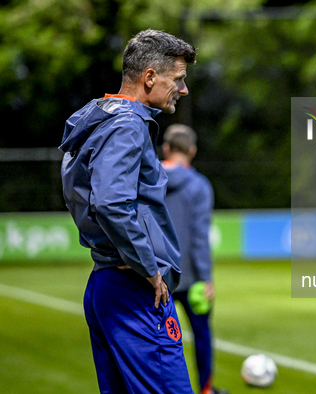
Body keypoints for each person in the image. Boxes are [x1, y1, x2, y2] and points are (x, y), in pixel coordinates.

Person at [59, 29, 197, 393]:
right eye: (178, 79)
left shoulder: (96, 117)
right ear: (150, 76)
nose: (183, 90)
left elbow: (82, 193)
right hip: (135, 287)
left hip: (106, 281)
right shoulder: (129, 124)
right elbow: (110, 202)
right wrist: (149, 269)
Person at [161, 124, 227, 394]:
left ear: (165, 148)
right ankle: (205, 390)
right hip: (190, 277)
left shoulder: (146, 178)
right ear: (193, 151)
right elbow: (200, 237)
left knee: (157, 341)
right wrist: (206, 277)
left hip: (155, 277)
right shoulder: (199, 185)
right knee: (201, 336)